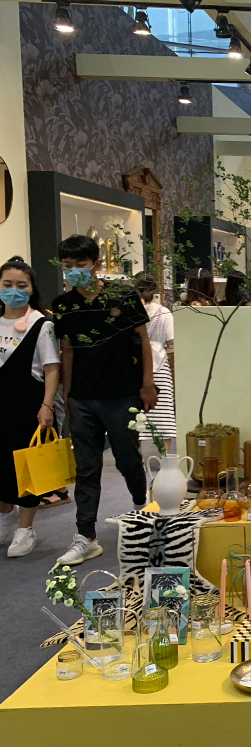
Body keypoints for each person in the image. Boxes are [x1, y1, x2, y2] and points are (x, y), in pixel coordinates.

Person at [52, 235, 157, 565]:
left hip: (122, 395)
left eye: (80, 264)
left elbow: (143, 340)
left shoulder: (122, 295)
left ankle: (142, 509)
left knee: (128, 460)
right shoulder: (64, 304)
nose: (74, 271)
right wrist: (67, 395)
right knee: (87, 468)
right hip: (82, 398)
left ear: (96, 264)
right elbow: (67, 350)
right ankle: (86, 536)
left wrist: (148, 384)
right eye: (67, 266)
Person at [0, 257, 60, 557]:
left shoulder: (42, 324)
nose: (14, 290)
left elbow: (51, 368)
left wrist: (47, 405)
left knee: (26, 470)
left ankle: (25, 530)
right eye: (7, 284)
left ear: (32, 288)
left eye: (21, 285)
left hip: (27, 407)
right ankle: (5, 514)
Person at [136, 277, 176, 455]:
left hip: (136, 366)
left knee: (137, 415)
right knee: (164, 414)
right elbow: (172, 344)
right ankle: (165, 457)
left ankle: (139, 458)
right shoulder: (163, 312)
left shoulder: (131, 310)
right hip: (160, 367)